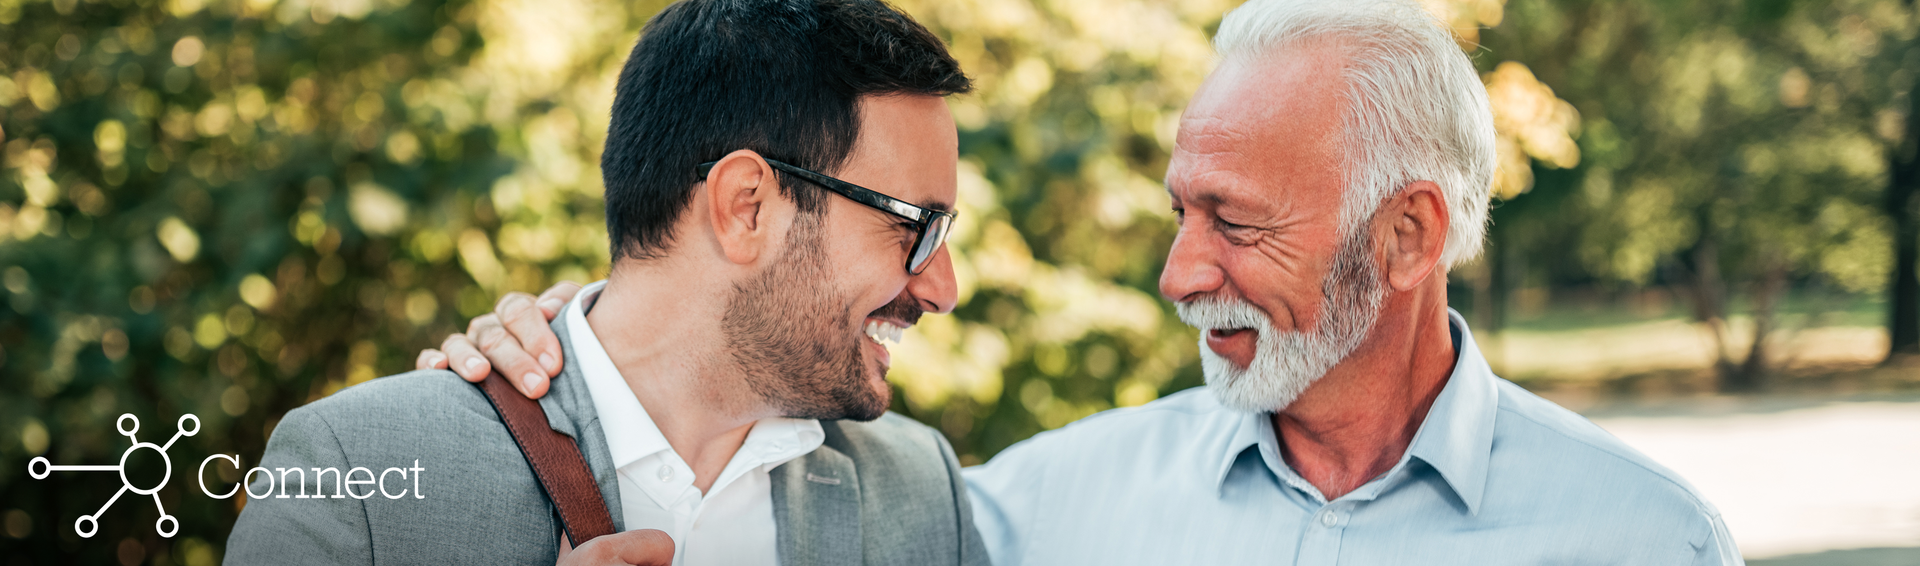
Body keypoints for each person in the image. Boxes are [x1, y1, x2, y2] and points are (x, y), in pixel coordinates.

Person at [422, 0, 1745, 564]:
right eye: (1182, 211)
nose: (1181, 271)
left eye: (1236, 222)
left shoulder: (1642, 536)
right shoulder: (1019, 515)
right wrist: (579, 358)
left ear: (1406, 237)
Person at [227, 1, 990, 565]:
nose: (943, 287)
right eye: (914, 226)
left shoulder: (921, 494)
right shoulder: (358, 471)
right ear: (745, 207)